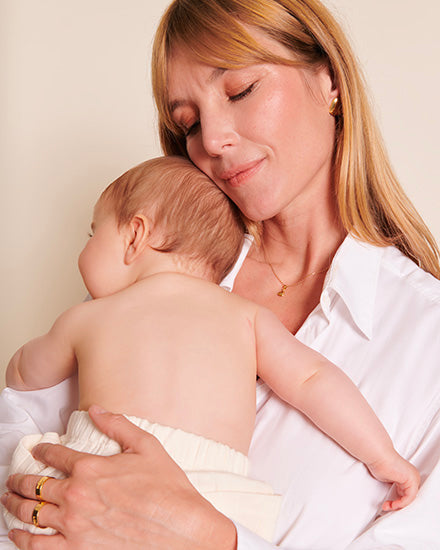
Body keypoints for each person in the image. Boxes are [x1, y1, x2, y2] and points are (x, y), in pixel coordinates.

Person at [1, 0, 440, 549]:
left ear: (329, 80)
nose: (211, 140)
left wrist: (211, 538)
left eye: (240, 91)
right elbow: (18, 420)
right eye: (188, 123)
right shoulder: (145, 276)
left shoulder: (427, 343)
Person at [3, 155, 419, 542]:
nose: (85, 249)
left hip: (106, 466)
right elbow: (314, 379)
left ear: (135, 235)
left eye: (93, 233)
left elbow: (23, 376)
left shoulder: (90, 317)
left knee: (25, 488)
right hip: (219, 499)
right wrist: (383, 457)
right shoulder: (246, 317)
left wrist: (26, 357)